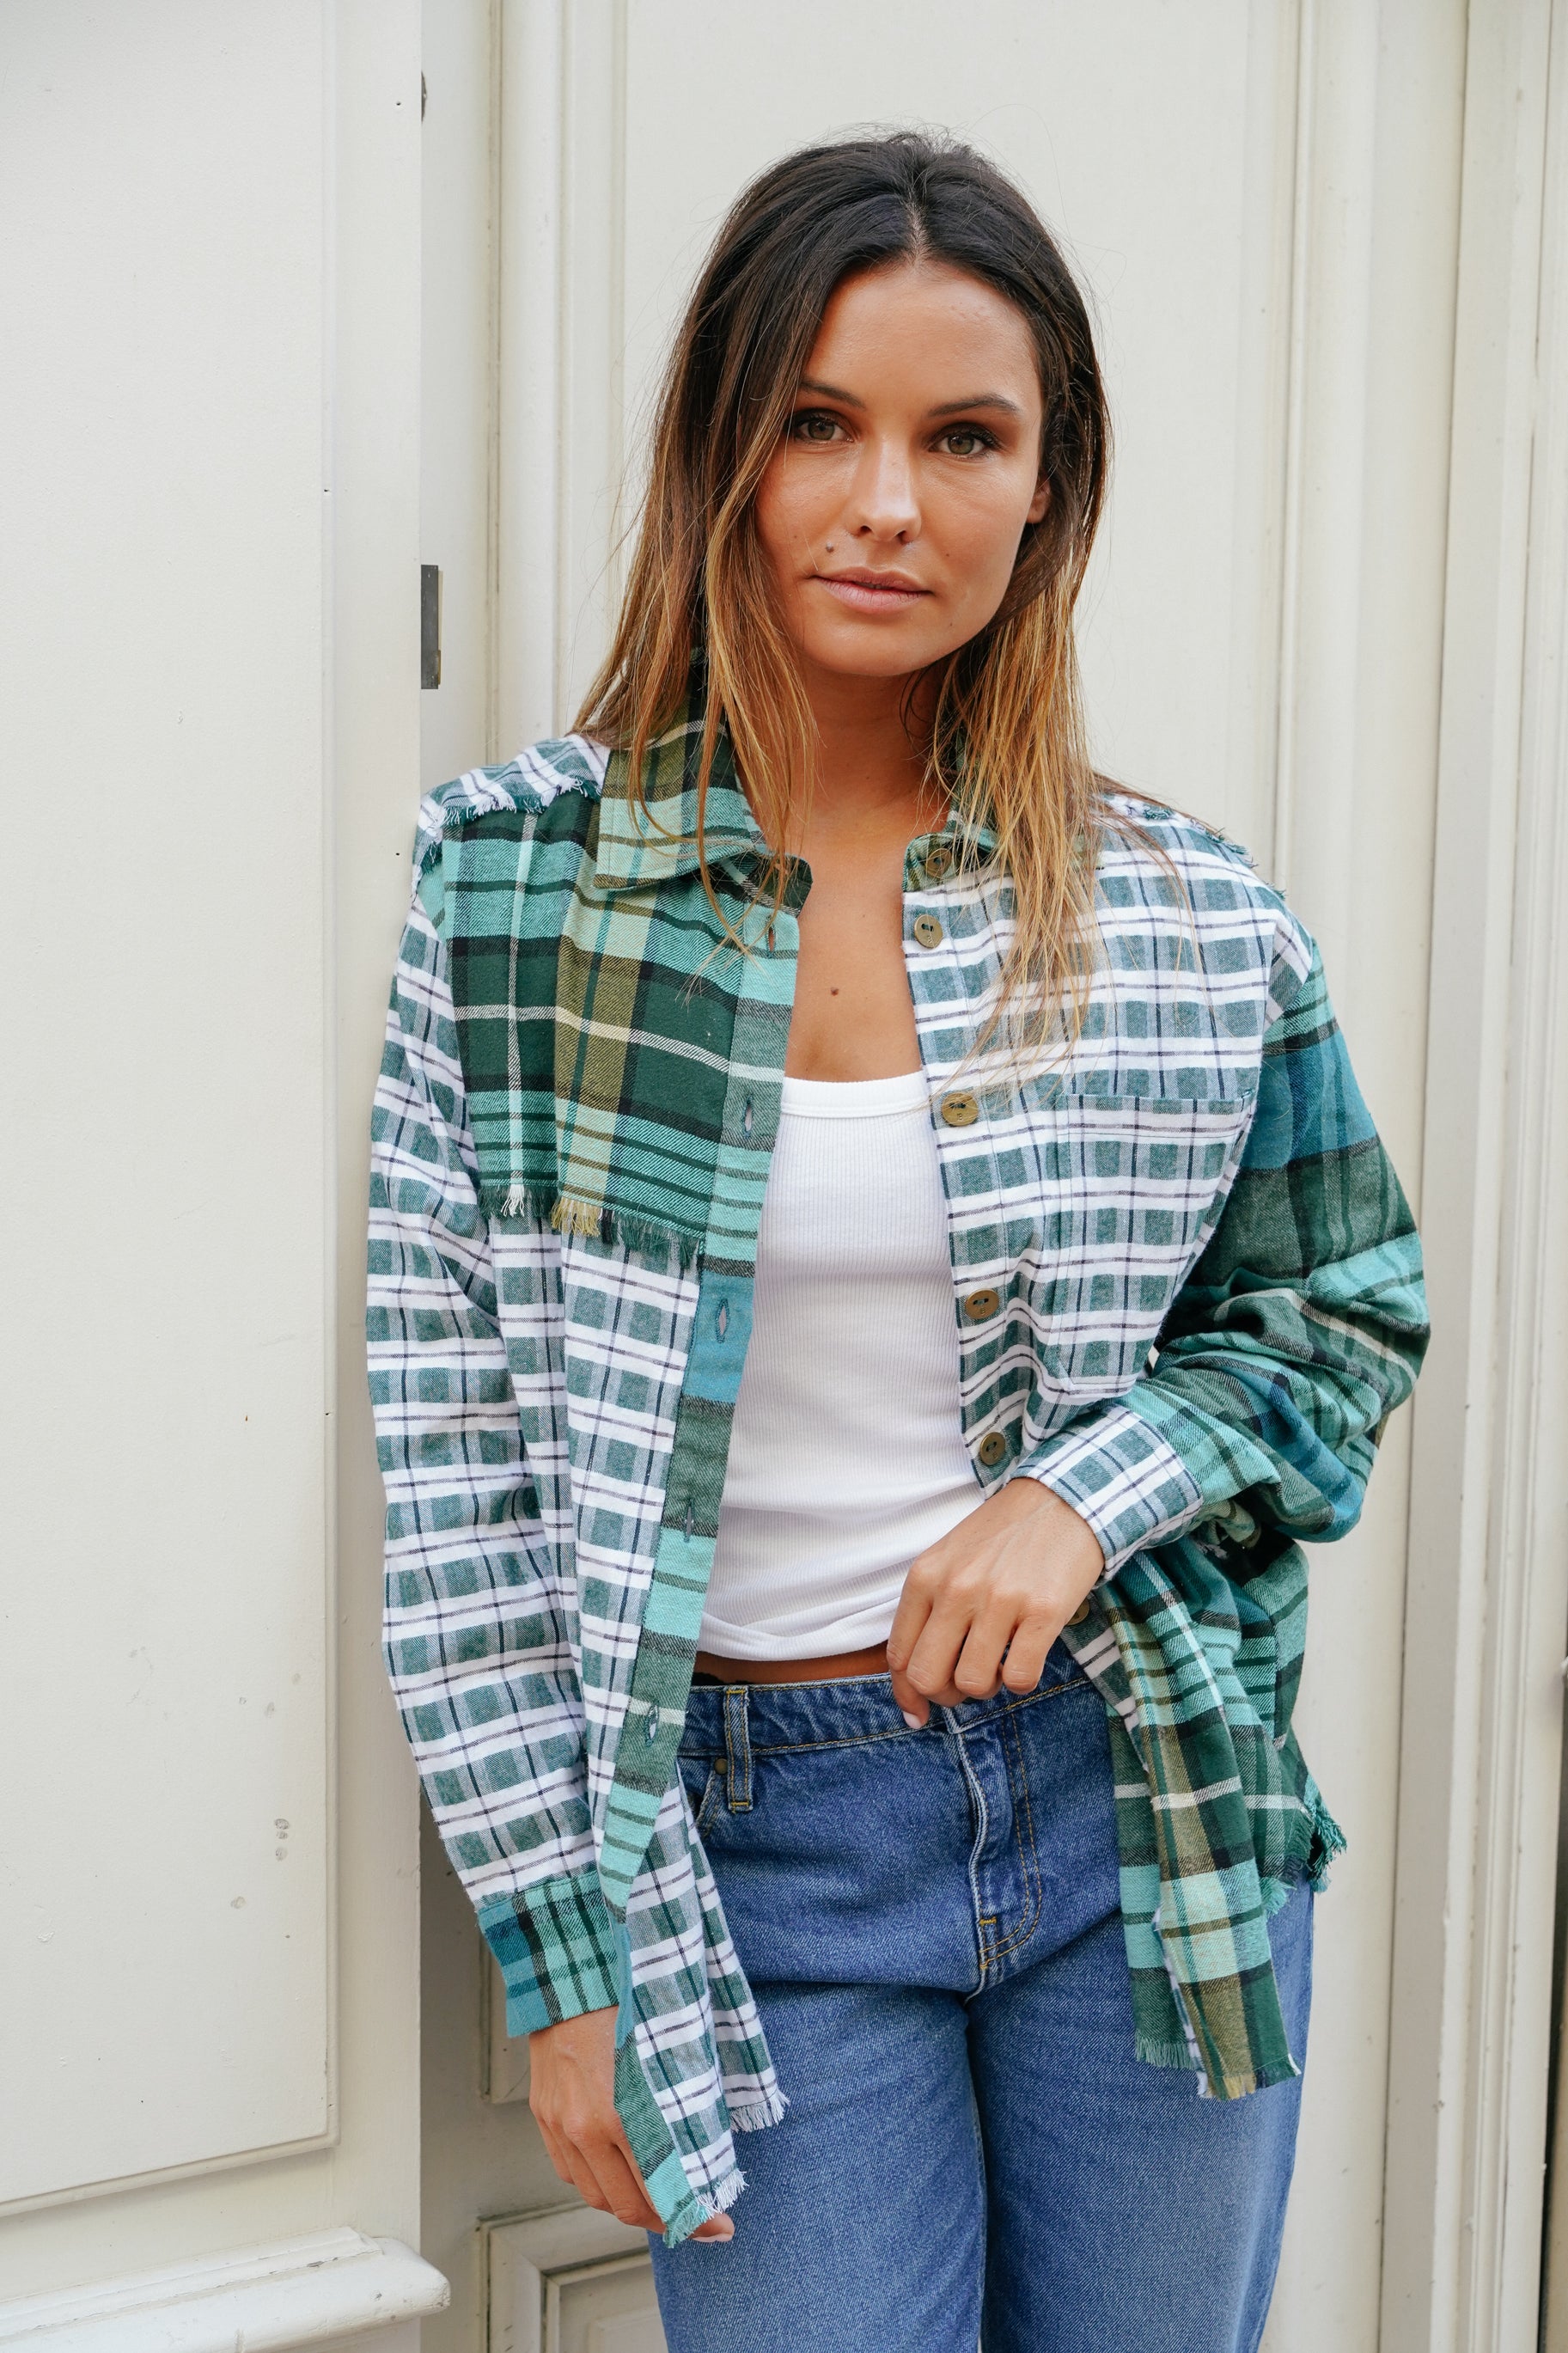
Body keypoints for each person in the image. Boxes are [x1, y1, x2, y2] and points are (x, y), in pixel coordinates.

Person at [367, 131, 1428, 2353]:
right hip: (747, 1855)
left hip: (1139, 1798)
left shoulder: (1183, 912)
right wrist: (567, 1963)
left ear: (1047, 487)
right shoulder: (512, 890)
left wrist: (1082, 1492)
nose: (886, 505)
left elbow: (1338, 1308)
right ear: (721, 452)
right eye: (819, 423)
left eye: (964, 439)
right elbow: (458, 1488)